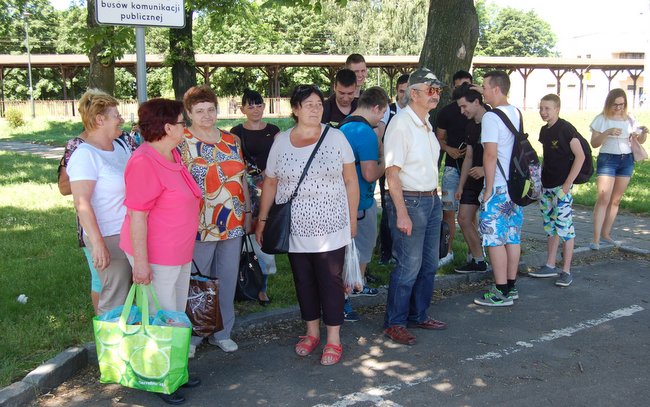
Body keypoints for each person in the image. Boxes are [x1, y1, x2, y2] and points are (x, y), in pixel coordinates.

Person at [255, 84, 359, 366]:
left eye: (318, 104)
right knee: (303, 281)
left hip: (332, 226)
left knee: (330, 282)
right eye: (308, 104)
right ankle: (311, 332)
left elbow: (351, 181)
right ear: (296, 109)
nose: (315, 109)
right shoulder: (281, 141)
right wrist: (262, 220)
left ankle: (334, 339)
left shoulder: (336, 138)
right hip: (295, 229)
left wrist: (352, 221)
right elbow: (272, 182)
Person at [119, 98, 203, 405]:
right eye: (182, 122)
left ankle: (175, 370)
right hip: (155, 256)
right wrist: (141, 265)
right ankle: (160, 379)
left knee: (175, 315)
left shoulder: (172, 153)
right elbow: (136, 216)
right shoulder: (144, 161)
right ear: (167, 127)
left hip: (177, 252)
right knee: (161, 318)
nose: (185, 126)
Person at [179, 85, 252, 355]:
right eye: (199, 111)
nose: (207, 115)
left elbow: (241, 178)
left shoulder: (231, 140)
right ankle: (195, 336)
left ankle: (223, 332)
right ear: (189, 113)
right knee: (198, 282)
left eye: (211, 109)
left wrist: (247, 212)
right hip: (198, 224)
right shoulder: (181, 141)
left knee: (227, 280)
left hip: (232, 221)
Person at [383, 68, 447, 346]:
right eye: (431, 89)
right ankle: (395, 322)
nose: (436, 95)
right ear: (414, 92)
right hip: (410, 200)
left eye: (438, 90)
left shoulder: (425, 123)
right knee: (409, 265)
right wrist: (402, 212)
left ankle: (418, 314)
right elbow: (392, 173)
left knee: (429, 263)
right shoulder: (401, 124)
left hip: (430, 199)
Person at [67, 89, 132, 315]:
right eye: (116, 115)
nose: (121, 119)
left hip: (130, 230)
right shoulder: (85, 155)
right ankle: (110, 348)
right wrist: (98, 243)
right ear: (99, 119)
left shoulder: (121, 147)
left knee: (133, 297)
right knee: (114, 300)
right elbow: (81, 202)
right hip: (109, 235)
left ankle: (131, 347)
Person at [339, 86, 389, 320]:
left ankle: (354, 289)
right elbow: (370, 173)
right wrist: (386, 161)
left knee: (346, 254)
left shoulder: (343, 126)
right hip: (360, 202)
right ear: (376, 108)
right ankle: (344, 300)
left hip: (341, 200)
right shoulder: (365, 132)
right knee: (358, 254)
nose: (382, 119)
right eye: (382, 113)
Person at [473, 70, 523, 307]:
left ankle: (500, 290)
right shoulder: (516, 112)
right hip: (515, 187)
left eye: (484, 86)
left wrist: (488, 189)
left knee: (493, 238)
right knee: (512, 236)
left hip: (499, 187)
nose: (482, 91)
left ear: (496, 89)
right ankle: (511, 286)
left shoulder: (491, 118)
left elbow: (490, 154)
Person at [527, 94, 585, 287]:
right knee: (550, 226)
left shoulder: (566, 129)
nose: (543, 112)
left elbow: (580, 156)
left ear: (557, 109)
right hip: (547, 186)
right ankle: (550, 264)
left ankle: (566, 270)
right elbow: (548, 157)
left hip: (562, 187)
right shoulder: (544, 131)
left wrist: (568, 183)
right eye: (541, 108)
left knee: (565, 228)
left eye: (547, 109)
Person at [230, 89, 280, 306]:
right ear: (242, 109)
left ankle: (263, 287)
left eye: (258, 105)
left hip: (270, 189)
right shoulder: (236, 132)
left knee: (265, 236)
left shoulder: (274, 131)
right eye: (250, 106)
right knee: (246, 235)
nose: (255, 109)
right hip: (245, 190)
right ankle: (243, 281)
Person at [589, 88, 648, 250]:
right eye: (615, 105)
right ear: (609, 103)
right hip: (608, 158)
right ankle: (595, 239)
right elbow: (594, 143)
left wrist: (644, 133)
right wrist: (607, 132)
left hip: (626, 159)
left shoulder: (630, 119)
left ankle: (606, 234)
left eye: (622, 105)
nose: (618, 108)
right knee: (603, 198)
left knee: (616, 200)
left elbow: (640, 140)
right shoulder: (601, 119)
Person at [435, 70, 472, 266]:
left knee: (471, 212)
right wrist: (449, 150)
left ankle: (472, 252)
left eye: (466, 85)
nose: (462, 89)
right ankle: (447, 252)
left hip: (474, 170)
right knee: (448, 211)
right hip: (451, 167)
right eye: (458, 86)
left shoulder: (482, 110)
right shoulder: (446, 112)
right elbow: (439, 139)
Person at [453, 83, 489, 274]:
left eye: (464, 106)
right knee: (464, 218)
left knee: (489, 223)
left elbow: (503, 152)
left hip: (491, 180)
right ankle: (478, 260)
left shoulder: (493, 119)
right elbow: (468, 156)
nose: (462, 110)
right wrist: (461, 184)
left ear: (477, 102)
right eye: (460, 107)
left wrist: (485, 169)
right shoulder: (469, 125)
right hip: (472, 181)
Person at [378, 73, 409, 265]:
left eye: (408, 91)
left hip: (410, 170)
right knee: (389, 209)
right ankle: (386, 252)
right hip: (390, 167)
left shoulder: (419, 113)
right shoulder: (388, 111)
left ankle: (403, 251)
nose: (404, 96)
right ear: (396, 92)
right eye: (401, 91)